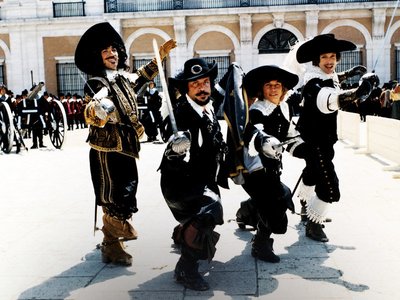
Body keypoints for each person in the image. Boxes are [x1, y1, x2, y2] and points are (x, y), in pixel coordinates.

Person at [74, 22, 176, 266]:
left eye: (114, 49)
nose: (112, 54)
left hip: (128, 145)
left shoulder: (123, 78)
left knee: (129, 191)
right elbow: (89, 107)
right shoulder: (97, 82)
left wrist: (159, 57)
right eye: (105, 51)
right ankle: (114, 240)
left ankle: (112, 241)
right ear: (97, 57)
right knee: (113, 194)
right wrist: (96, 110)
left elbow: (140, 77)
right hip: (106, 148)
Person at [295, 33, 378, 242]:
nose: (330, 61)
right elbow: (329, 98)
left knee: (312, 172)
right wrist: (358, 92)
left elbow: (332, 81)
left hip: (318, 138)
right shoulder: (313, 84)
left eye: (333, 56)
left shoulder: (321, 76)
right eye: (324, 57)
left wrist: (348, 74)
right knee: (329, 185)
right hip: (316, 141)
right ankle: (314, 224)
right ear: (316, 60)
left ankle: (306, 206)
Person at [158, 58, 227, 291]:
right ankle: (186, 269)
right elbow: (172, 138)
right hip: (180, 182)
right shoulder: (182, 115)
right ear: (186, 89)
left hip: (204, 179)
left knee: (208, 215)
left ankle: (183, 233)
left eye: (205, 82)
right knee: (210, 211)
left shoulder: (209, 104)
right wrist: (175, 149)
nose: (201, 87)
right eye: (195, 84)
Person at [235, 65, 306, 263]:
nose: (274, 89)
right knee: (278, 208)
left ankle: (246, 210)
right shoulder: (257, 111)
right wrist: (264, 141)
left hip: (273, 170)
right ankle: (260, 243)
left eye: (278, 85)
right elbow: (254, 134)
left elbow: (291, 138)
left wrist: (305, 151)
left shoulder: (285, 108)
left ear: (283, 89)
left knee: (269, 200)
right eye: (269, 85)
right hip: (254, 170)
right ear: (262, 89)